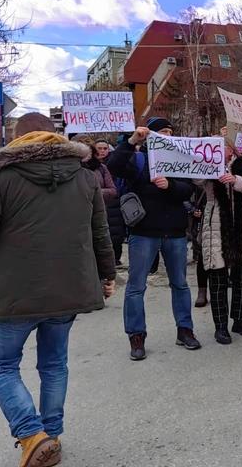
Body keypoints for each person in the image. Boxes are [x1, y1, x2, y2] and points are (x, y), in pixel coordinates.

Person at [0, 115, 116, 466]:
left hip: (14, 291)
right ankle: (51, 436)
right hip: (68, 288)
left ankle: (31, 435)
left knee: (0, 365)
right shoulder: (85, 176)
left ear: (16, 138)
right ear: (54, 137)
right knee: (54, 363)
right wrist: (107, 275)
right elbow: (100, 232)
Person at [106, 117, 200, 360]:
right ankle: (136, 335)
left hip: (175, 232)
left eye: (170, 131)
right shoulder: (138, 158)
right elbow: (113, 166)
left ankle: (185, 329)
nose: (168, 135)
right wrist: (130, 142)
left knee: (180, 284)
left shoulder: (179, 158)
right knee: (136, 287)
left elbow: (189, 190)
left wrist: (170, 186)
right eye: (163, 131)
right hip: (143, 232)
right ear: (150, 135)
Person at [198, 136, 242, 345]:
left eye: (221, 146)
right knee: (217, 279)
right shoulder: (205, 163)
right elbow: (194, 180)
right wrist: (207, 165)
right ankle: (221, 326)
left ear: (231, 150)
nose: (217, 149)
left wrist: (236, 181)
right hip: (216, 226)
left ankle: (239, 320)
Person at [94, 139, 125, 267]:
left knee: (115, 232)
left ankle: (115, 258)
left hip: (113, 202)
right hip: (97, 203)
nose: (102, 151)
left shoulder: (113, 164)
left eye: (105, 148)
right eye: (99, 148)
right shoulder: (88, 165)